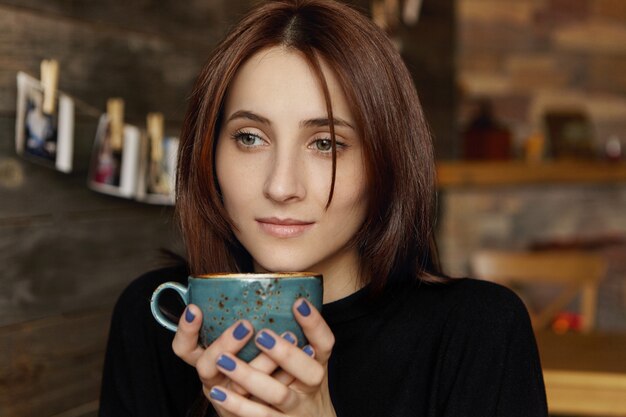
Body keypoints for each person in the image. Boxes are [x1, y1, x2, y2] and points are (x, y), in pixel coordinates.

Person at [99, 0, 548, 416]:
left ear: (385, 162)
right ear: (208, 154)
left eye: (326, 144)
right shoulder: (156, 319)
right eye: (250, 137)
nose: (281, 186)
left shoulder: (479, 332)